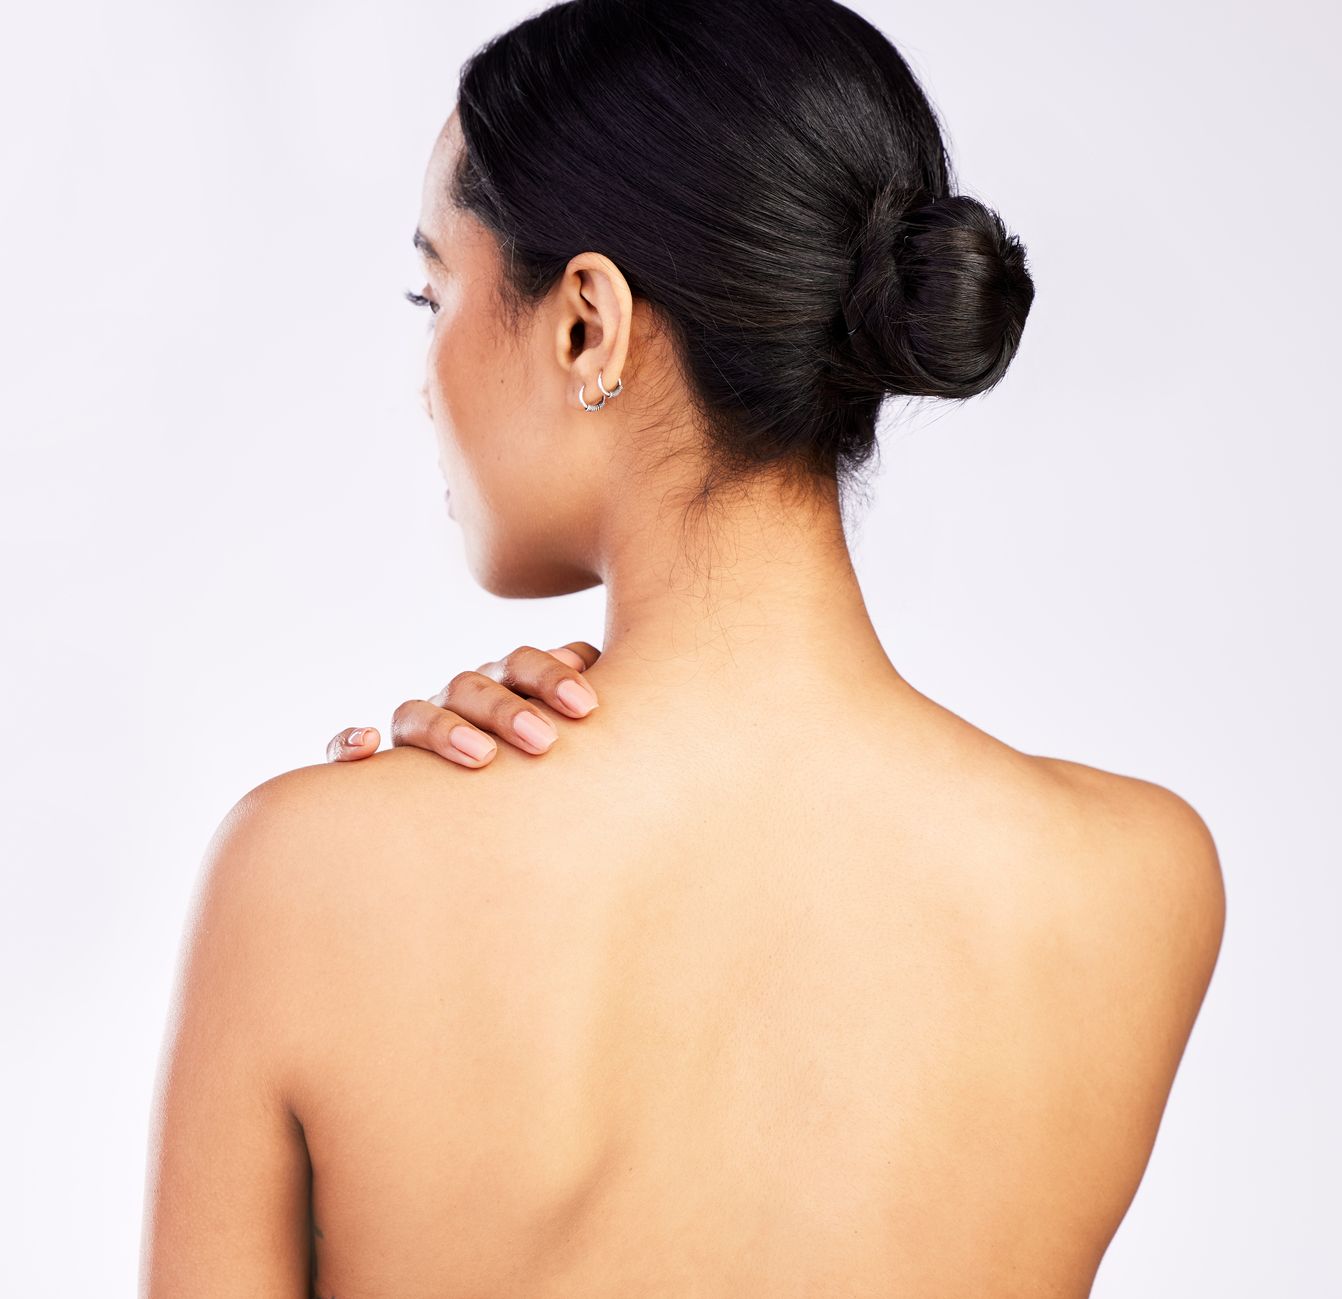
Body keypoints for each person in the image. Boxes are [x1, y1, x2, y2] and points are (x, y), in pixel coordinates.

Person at [140, 1, 1226, 1294]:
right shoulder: (1135, 879)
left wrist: (377, 828)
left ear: (585, 322)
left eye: (435, 289)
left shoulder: (312, 871)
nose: (425, 375)